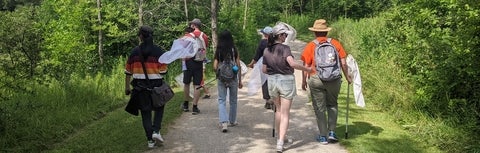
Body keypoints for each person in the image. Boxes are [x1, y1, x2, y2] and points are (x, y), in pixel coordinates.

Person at [300, 19, 352, 145]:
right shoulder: (335, 43)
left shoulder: (311, 46)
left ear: (314, 32)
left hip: (316, 78)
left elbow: (306, 65)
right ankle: (332, 132)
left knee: (319, 108)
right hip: (334, 79)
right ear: (326, 32)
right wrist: (347, 77)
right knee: (332, 104)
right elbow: (343, 63)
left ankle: (323, 136)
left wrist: (303, 81)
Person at [262, 24, 312, 152]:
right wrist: (306, 69)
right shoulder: (285, 48)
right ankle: (280, 142)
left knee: (278, 110)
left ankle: (281, 137)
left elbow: (264, 70)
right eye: (285, 35)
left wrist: (274, 70)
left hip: (272, 81)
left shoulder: (267, 50)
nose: (286, 37)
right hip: (286, 81)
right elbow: (292, 63)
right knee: (285, 113)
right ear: (280, 35)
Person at [124, 25, 169, 148]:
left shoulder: (134, 52)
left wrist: (127, 87)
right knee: (159, 107)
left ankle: (150, 141)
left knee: (145, 113)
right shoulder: (158, 51)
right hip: (156, 86)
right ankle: (156, 131)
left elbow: (128, 72)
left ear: (140, 37)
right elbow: (163, 72)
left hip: (140, 87)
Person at [213, 30, 243, 133]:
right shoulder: (234, 49)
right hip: (233, 78)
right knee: (233, 100)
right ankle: (232, 121)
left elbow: (215, 66)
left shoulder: (219, 50)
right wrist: (240, 80)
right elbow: (238, 65)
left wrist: (218, 73)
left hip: (222, 78)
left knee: (221, 100)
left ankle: (223, 122)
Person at [182, 18, 209, 115]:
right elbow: (205, 47)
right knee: (197, 84)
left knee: (186, 83)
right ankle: (194, 107)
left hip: (188, 61)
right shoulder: (204, 36)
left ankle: (185, 105)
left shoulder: (188, 35)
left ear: (193, 25)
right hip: (199, 61)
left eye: (191, 25)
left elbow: (182, 47)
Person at [247, 26, 273, 109]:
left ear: (265, 34)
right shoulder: (275, 42)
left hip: (263, 64)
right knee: (273, 80)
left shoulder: (263, 42)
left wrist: (251, 64)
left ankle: (267, 100)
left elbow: (257, 55)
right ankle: (274, 98)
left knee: (264, 81)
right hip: (274, 63)